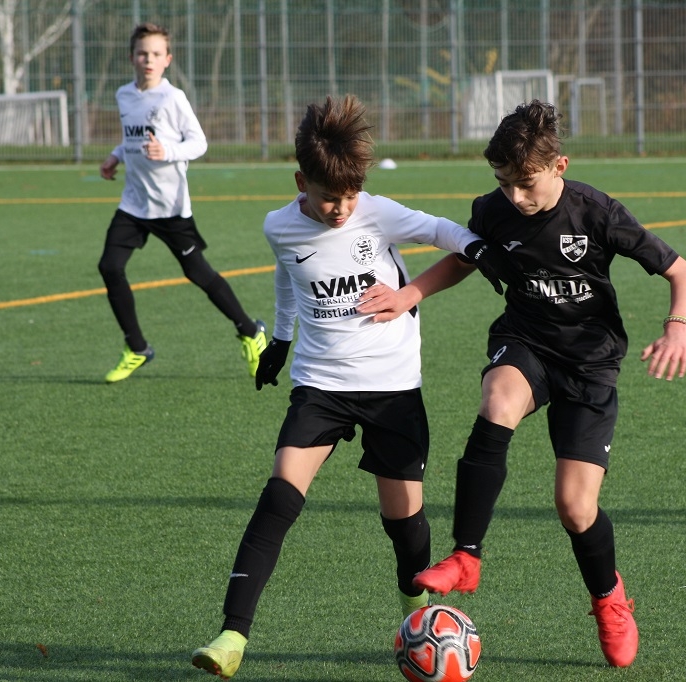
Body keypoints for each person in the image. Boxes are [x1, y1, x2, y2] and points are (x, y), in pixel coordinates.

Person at [190, 94, 512, 680]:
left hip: (392, 388)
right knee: (279, 497)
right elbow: (289, 279)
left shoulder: (377, 212)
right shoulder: (279, 226)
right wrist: (281, 340)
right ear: (300, 182)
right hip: (321, 385)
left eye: (349, 196)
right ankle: (231, 634)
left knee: (405, 523)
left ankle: (416, 613)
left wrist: (476, 251)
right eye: (327, 197)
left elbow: (443, 231)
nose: (340, 209)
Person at [372, 100, 686, 668]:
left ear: (559, 166)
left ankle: (609, 599)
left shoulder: (596, 212)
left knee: (574, 507)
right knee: (498, 400)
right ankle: (466, 555)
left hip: (590, 363)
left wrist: (676, 328)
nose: (516, 197)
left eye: (526, 184)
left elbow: (681, 271)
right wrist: (410, 294)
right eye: (504, 183)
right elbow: (464, 259)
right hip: (525, 340)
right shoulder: (492, 211)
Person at [98, 22, 266, 383]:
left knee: (198, 273)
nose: (149, 60)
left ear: (167, 60)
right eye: (142, 53)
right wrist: (116, 156)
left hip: (170, 208)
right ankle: (137, 347)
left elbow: (198, 143)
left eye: (156, 54)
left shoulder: (172, 98)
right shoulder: (124, 95)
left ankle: (251, 331)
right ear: (131, 57)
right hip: (134, 204)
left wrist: (168, 151)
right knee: (109, 267)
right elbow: (133, 137)